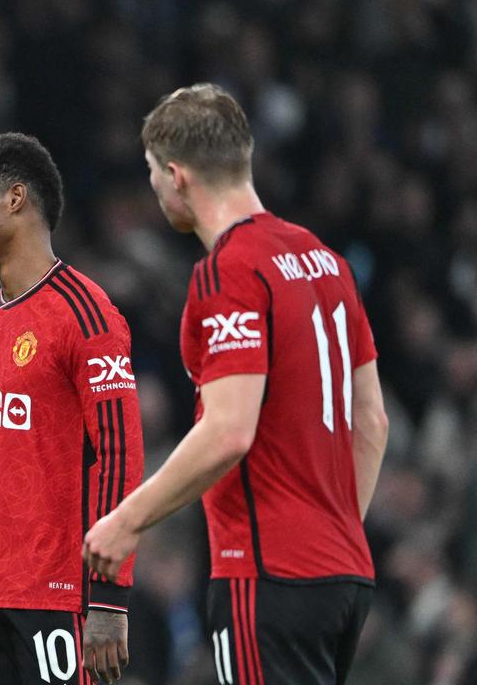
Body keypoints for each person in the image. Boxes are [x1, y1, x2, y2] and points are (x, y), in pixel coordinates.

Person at [83, 83, 389, 685]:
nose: (152, 187)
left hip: (267, 573)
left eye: (150, 172)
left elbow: (228, 430)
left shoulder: (229, 270)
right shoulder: (326, 261)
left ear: (176, 176)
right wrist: (332, 535)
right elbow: (371, 421)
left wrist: (127, 520)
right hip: (343, 576)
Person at [0, 133, 144, 685]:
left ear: (15, 199)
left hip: (57, 596)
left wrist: (108, 598)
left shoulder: (87, 314)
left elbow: (119, 458)